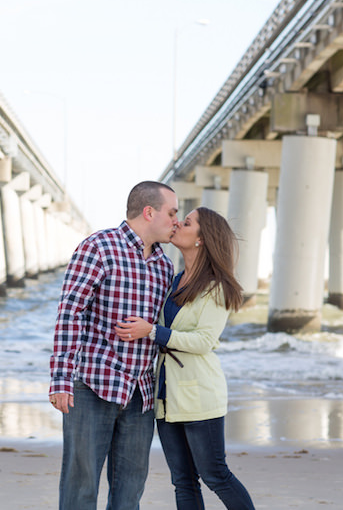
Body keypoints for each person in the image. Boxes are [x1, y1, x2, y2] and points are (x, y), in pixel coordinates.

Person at [49, 181, 179, 510]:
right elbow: (70, 311)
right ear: (149, 212)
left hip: (140, 395)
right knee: (81, 486)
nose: (176, 221)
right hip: (93, 386)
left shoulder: (165, 265)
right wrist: (61, 378)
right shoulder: (99, 247)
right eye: (172, 212)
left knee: (130, 491)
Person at [115, 207, 255, 510]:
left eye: (187, 222)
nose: (178, 223)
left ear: (201, 239)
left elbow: (204, 341)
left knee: (215, 475)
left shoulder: (217, 287)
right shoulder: (173, 279)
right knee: (183, 480)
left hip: (200, 395)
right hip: (167, 396)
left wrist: (153, 332)